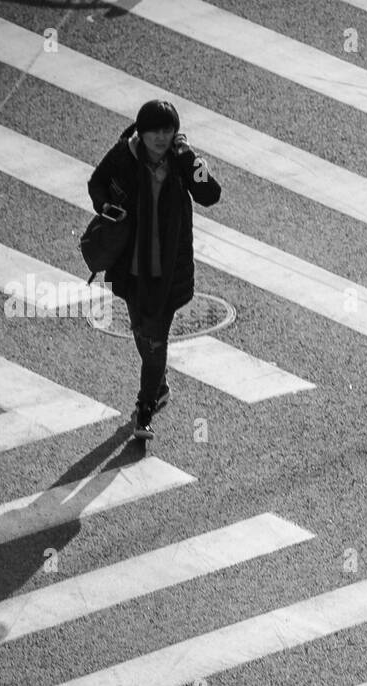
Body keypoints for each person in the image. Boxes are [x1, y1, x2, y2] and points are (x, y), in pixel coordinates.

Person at [87, 100, 222, 440]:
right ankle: (159, 385)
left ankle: (145, 408)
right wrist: (106, 206)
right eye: (155, 131)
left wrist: (191, 158)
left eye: (168, 130)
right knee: (141, 333)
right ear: (141, 132)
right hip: (132, 266)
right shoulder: (123, 156)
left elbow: (210, 193)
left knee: (153, 340)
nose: (162, 138)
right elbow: (96, 183)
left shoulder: (181, 162)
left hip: (168, 270)